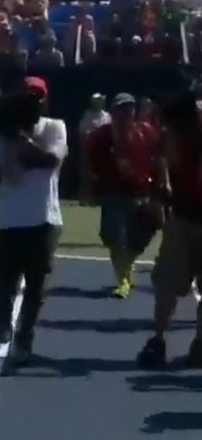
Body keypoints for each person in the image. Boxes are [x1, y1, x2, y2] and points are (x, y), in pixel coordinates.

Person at [0, 76, 67, 360]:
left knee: (36, 287)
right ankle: (3, 316)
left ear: (46, 99)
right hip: (10, 220)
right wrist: (9, 133)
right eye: (28, 96)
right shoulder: (4, 135)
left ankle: (25, 337)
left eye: (38, 96)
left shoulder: (55, 127)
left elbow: (50, 161)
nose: (33, 101)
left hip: (44, 219)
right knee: (6, 284)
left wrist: (22, 139)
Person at [138, 93, 202, 369]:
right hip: (182, 217)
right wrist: (161, 191)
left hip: (188, 214)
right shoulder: (173, 134)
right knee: (166, 284)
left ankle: (195, 344)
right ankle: (159, 340)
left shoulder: (181, 131)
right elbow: (163, 166)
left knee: (169, 285)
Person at [84, 93, 162, 298]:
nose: (127, 112)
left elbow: (158, 158)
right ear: (113, 111)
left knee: (143, 236)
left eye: (130, 108)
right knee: (112, 236)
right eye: (121, 108)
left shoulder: (146, 132)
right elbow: (91, 164)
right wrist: (93, 187)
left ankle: (126, 265)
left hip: (142, 193)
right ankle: (123, 280)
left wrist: (159, 185)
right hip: (113, 193)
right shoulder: (101, 136)